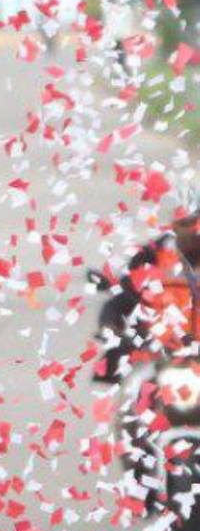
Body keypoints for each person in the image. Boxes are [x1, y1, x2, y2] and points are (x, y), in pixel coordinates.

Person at [93, 190, 200, 511]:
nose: (191, 231)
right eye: (186, 223)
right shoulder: (152, 257)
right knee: (130, 406)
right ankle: (141, 487)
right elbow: (121, 300)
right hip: (171, 362)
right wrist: (112, 329)